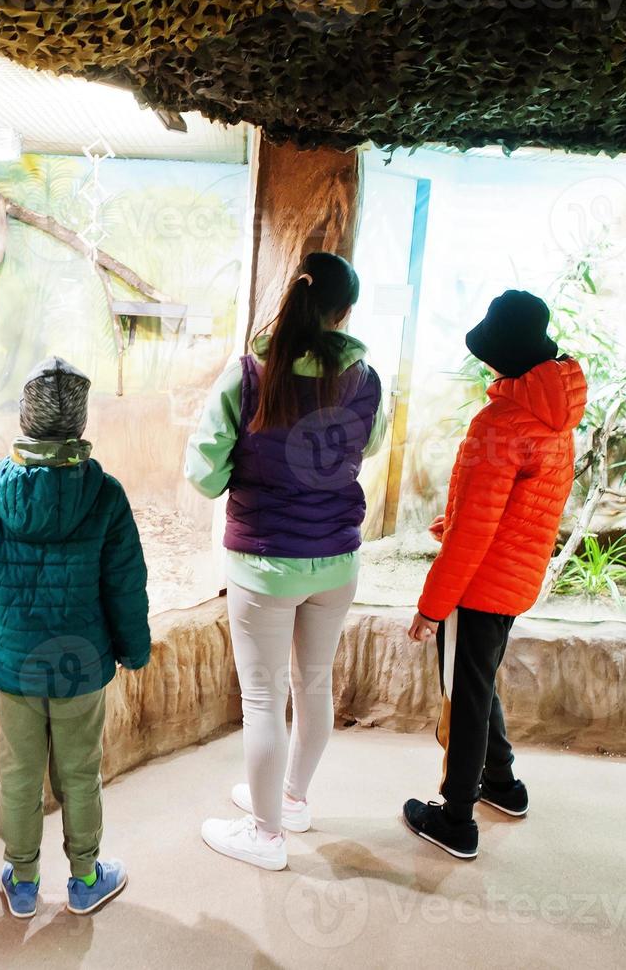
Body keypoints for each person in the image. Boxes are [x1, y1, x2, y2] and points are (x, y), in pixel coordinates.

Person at [184, 252, 386, 871]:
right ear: (343, 311)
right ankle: (293, 800)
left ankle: (266, 834)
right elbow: (372, 443)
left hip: (263, 564)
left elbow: (202, 473)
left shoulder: (247, 373)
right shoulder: (367, 378)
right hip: (336, 561)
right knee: (314, 682)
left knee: (265, 700)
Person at [0, 356, 151, 917]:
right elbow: (125, 584)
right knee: (80, 771)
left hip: (14, 665)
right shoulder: (105, 495)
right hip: (82, 665)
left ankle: (21, 883)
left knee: (18, 772)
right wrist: (133, 648)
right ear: (80, 422)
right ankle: (86, 877)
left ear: (26, 417)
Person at [402, 289, 587, 860]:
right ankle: (502, 785)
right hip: (515, 577)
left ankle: (456, 818)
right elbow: (517, 508)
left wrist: (432, 606)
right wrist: (453, 520)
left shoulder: (500, 422)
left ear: (501, 354)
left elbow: (479, 532)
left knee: (465, 692)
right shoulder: (556, 416)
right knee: (479, 680)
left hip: (479, 582)